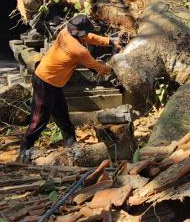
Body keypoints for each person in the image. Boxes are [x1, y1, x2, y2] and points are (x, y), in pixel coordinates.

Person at [19, 15, 119, 162]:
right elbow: (96, 67)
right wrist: (113, 68)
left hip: (53, 82)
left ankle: (71, 143)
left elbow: (89, 37)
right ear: (79, 32)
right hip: (44, 82)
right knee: (39, 119)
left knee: (62, 115)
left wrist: (111, 41)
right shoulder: (79, 50)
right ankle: (25, 148)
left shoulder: (65, 32)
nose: (86, 35)